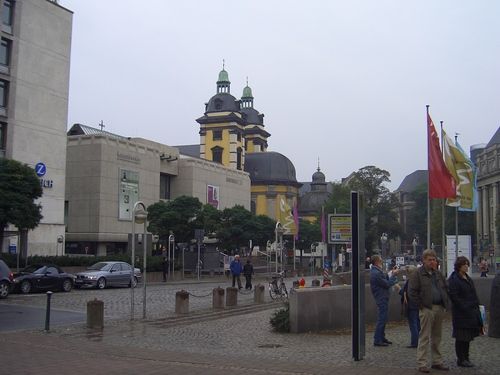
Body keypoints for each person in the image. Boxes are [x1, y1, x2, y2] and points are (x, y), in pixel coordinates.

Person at [408, 248, 450, 373]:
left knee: (437, 336)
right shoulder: (418, 273)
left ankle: (437, 361)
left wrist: (445, 302)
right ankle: (422, 363)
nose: (433, 262)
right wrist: (421, 306)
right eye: (430, 260)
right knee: (424, 336)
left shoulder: (438, 273)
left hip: (439, 307)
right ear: (424, 261)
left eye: (434, 260)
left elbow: (445, 287)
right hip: (427, 308)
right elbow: (412, 292)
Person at [448, 256, 484, 367]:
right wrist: (465, 306)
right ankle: (461, 358)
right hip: (461, 313)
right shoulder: (454, 279)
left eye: (467, 264)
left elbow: (473, 293)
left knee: (468, 337)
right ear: (459, 266)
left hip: (470, 312)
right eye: (465, 265)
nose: (467, 266)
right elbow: (454, 297)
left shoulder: (467, 278)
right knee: (461, 337)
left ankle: (466, 357)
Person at [370, 254, 399, 347]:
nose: (382, 261)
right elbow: (387, 284)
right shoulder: (376, 273)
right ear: (377, 261)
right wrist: (394, 275)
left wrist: (391, 272)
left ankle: (381, 337)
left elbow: (385, 278)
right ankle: (377, 339)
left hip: (382, 296)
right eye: (381, 260)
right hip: (381, 297)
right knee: (382, 319)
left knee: (383, 318)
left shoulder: (376, 271)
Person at [400, 266, 420, 348]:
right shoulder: (419, 280)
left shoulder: (409, 282)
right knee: (418, 323)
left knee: (413, 323)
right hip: (418, 304)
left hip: (411, 304)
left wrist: (399, 289)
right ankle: (420, 340)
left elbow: (405, 292)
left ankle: (415, 342)